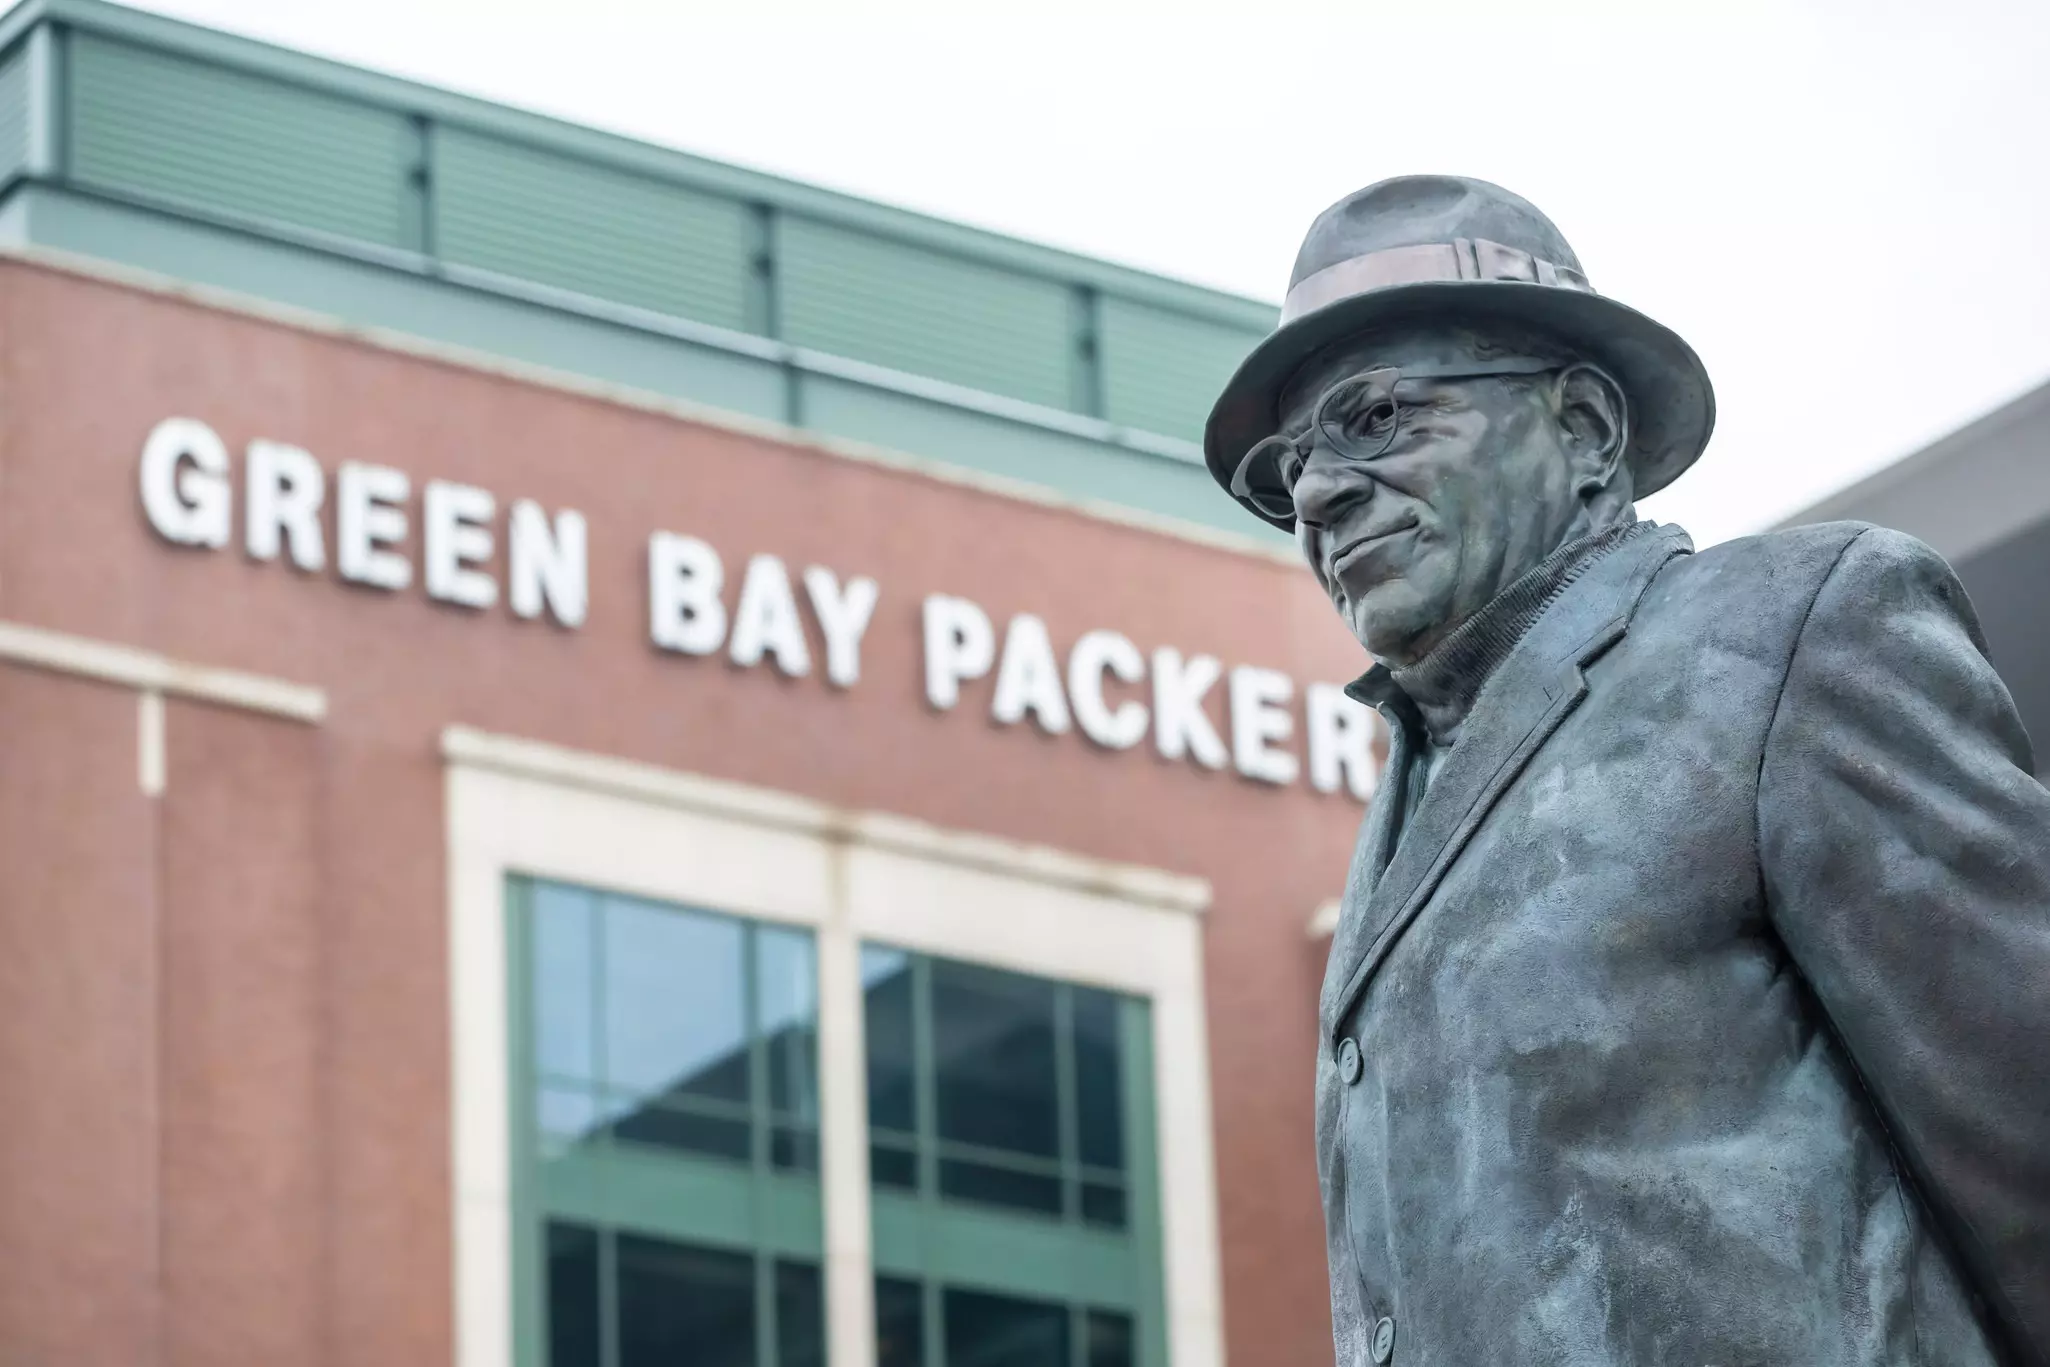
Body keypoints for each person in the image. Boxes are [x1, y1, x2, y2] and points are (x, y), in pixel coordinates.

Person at [1204, 174, 2050, 1366]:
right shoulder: (1415, 784)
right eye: (1286, 466)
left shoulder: (1790, 635)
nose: (1319, 495)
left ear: (1587, 431)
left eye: (1377, 418)